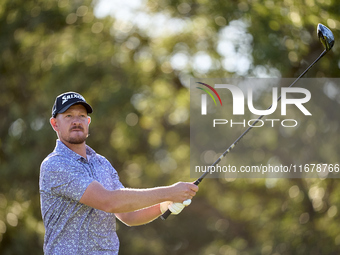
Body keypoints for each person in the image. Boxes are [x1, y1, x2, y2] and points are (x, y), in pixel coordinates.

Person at [39, 92, 198, 254]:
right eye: (68, 116)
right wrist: (169, 192)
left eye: (81, 115)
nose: (76, 121)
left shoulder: (102, 163)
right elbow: (108, 202)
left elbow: (129, 216)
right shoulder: (55, 164)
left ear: (88, 122)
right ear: (54, 124)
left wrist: (164, 205)